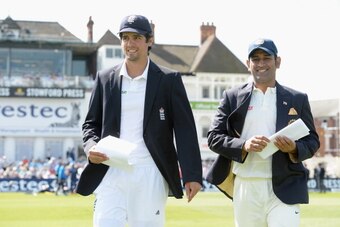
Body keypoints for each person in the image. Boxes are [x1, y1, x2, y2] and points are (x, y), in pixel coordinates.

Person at [76, 14, 202, 227]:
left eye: (136, 37)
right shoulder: (105, 78)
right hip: (111, 168)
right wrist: (91, 148)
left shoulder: (169, 80)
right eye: (125, 37)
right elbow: (90, 124)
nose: (130, 43)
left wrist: (192, 175)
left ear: (149, 40)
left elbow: (185, 129)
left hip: (150, 171)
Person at [205, 38, 320, 227]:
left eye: (266, 58)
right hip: (246, 186)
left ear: (278, 61)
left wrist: (293, 148)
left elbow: (312, 141)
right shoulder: (232, 97)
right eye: (255, 59)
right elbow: (214, 137)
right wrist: (244, 145)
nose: (261, 64)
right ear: (247, 63)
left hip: (285, 185)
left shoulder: (297, 98)